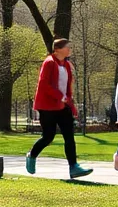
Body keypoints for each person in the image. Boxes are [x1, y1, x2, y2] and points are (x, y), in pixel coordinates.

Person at [26, 38, 92, 179]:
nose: (70, 50)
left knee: (69, 136)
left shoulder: (67, 65)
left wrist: (70, 104)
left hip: (63, 106)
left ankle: (73, 167)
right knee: (48, 137)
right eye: (68, 47)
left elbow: (68, 86)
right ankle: (32, 155)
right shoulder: (49, 63)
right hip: (47, 106)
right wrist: (59, 96)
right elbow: (44, 84)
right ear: (58, 49)